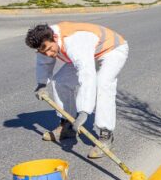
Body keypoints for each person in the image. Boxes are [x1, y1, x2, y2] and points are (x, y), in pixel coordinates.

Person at [25, 22, 128, 158]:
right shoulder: (44, 40)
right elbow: (43, 62)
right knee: (61, 81)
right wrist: (41, 84)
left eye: (50, 49)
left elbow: (87, 76)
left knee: (103, 83)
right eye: (44, 52)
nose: (49, 54)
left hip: (112, 49)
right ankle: (67, 124)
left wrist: (84, 111)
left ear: (55, 37)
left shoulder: (74, 41)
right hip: (90, 52)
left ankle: (105, 134)